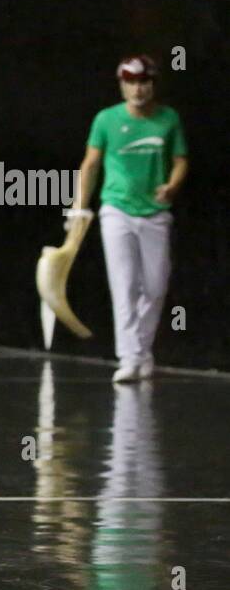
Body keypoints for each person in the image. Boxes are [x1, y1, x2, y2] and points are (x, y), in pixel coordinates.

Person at [76, 54, 188, 382]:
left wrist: (172, 186)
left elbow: (181, 160)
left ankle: (142, 350)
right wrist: (80, 207)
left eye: (144, 82)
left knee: (154, 287)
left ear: (153, 84)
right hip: (116, 211)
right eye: (131, 82)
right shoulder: (106, 120)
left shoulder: (169, 119)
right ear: (122, 85)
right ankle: (129, 357)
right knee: (123, 286)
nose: (137, 89)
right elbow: (90, 164)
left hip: (155, 214)